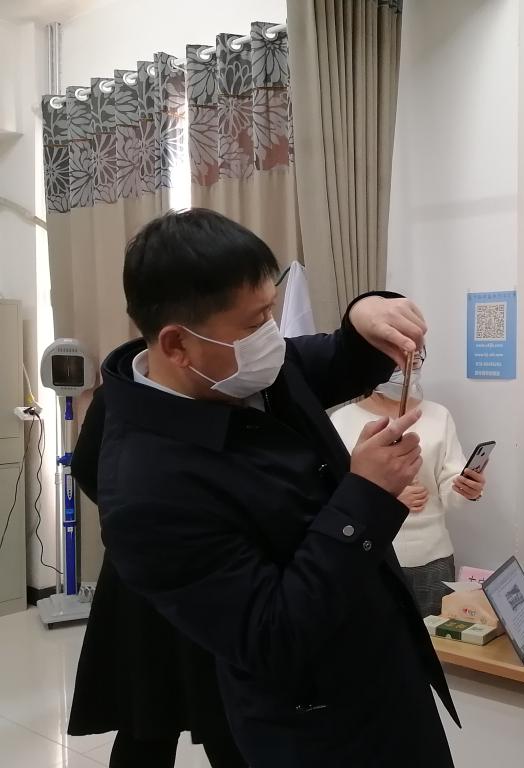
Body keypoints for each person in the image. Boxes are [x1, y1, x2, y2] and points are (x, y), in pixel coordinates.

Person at [94, 209, 457, 767]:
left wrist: (366, 309)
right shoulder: (146, 491)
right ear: (177, 345)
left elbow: (341, 355)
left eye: (271, 309)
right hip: (316, 724)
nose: (271, 334)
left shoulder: (243, 371)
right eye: (254, 321)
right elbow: (272, 634)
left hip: (382, 665)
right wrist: (365, 496)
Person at [68, 386, 246, 768]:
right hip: (164, 576)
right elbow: (87, 464)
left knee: (168, 717)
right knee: (164, 721)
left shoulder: (237, 388)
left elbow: (86, 465)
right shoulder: (121, 393)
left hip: (191, 574)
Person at [331, 348, 487, 617]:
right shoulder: (342, 420)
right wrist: (386, 500)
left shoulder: (438, 415)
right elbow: (334, 495)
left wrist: (467, 489)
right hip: (370, 557)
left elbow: (450, 487)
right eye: (398, 361)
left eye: (416, 360)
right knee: (377, 639)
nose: (408, 370)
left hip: (433, 557)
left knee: (435, 641)